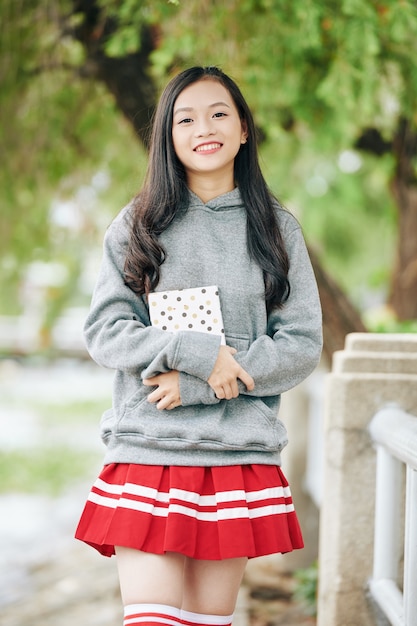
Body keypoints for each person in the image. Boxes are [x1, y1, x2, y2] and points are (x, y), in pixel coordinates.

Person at [75, 65, 322, 626]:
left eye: (218, 114)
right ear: (167, 136)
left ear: (243, 130)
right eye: (185, 118)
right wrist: (197, 352)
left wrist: (200, 385)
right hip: (150, 449)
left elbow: (302, 343)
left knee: (209, 624)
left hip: (234, 455)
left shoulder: (277, 230)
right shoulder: (136, 225)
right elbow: (107, 331)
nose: (202, 128)